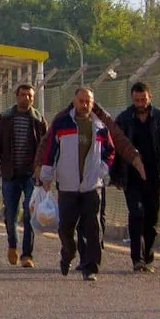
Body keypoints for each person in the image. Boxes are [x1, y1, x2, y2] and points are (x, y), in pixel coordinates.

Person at [36, 87, 141, 279]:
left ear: (93, 103)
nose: (84, 105)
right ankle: (68, 252)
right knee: (65, 228)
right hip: (67, 185)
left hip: (92, 185)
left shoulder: (99, 126)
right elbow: (50, 149)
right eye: (81, 101)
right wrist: (46, 175)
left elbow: (110, 150)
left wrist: (103, 169)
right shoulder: (62, 123)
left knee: (93, 227)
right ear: (74, 102)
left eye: (88, 101)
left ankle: (90, 268)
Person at [0, 83, 50, 267]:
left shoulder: (39, 120)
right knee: (10, 213)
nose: (26, 98)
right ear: (16, 96)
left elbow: (46, 149)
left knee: (30, 214)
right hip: (10, 174)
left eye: (30, 96)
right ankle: (12, 245)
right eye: (23, 95)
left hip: (31, 175)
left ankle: (27, 255)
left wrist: (45, 172)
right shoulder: (5, 119)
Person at [113, 81, 160, 272]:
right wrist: (115, 175)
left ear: (150, 97)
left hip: (155, 175)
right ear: (132, 99)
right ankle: (137, 259)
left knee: (152, 219)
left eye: (143, 99)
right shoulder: (123, 119)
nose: (140, 103)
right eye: (137, 100)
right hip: (132, 176)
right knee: (136, 214)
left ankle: (147, 257)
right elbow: (116, 149)